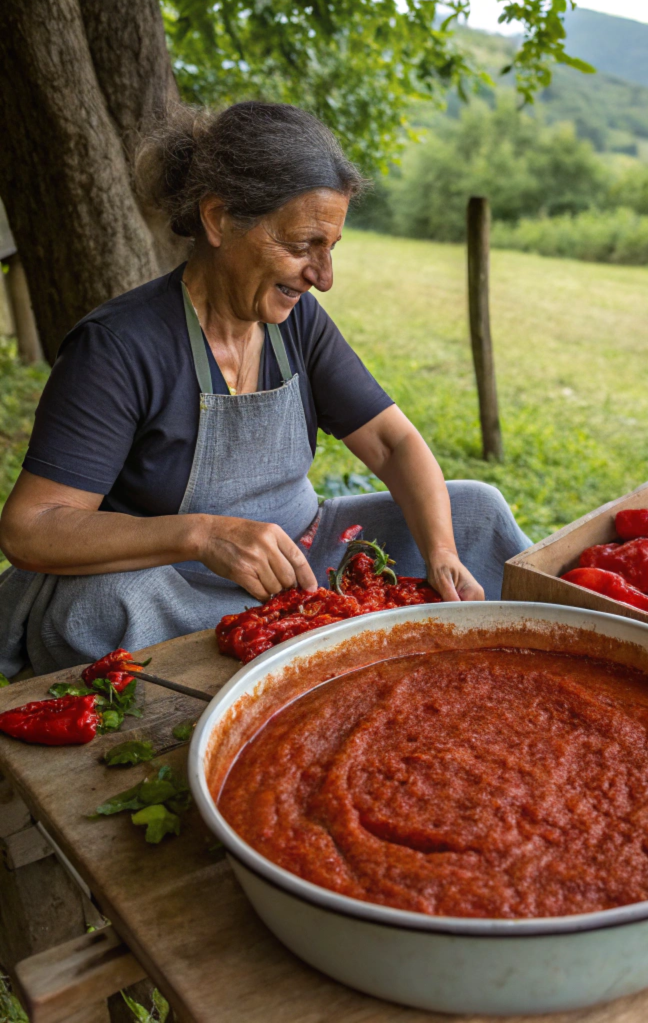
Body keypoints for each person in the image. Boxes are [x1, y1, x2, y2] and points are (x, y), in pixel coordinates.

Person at [0, 101, 532, 677]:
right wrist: (203, 535)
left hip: (309, 554)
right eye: (304, 245)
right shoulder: (119, 348)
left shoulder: (296, 322)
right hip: (180, 583)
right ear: (219, 219)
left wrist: (443, 552)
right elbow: (32, 528)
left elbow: (391, 443)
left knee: (474, 510)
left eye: (331, 249)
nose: (323, 277)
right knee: (97, 608)